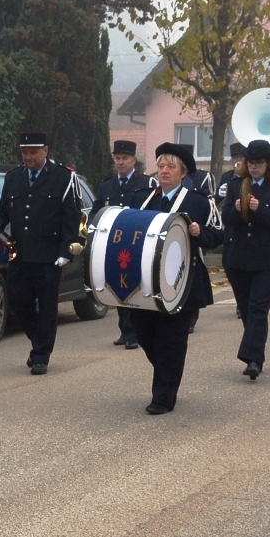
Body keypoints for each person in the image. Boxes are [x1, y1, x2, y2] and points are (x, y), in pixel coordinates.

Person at [131, 142, 224, 414]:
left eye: (171, 166)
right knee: (145, 334)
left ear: (184, 172)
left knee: (172, 339)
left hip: (182, 281)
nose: (164, 171)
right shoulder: (142, 198)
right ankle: (167, 373)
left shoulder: (198, 201)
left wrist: (198, 233)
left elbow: (218, 235)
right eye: (160, 166)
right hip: (146, 281)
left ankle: (163, 395)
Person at [0, 132, 81, 375]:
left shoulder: (63, 177)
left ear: (45, 151)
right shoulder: (14, 178)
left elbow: (73, 218)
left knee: (49, 306)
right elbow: (3, 209)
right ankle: (39, 339)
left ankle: (41, 355)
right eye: (24, 152)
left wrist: (65, 251)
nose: (28, 157)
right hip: (21, 253)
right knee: (18, 301)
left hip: (50, 256)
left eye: (33, 152)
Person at [220, 139, 270, 380]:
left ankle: (252, 359)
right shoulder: (235, 185)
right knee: (247, 309)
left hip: (267, 258)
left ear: (268, 164)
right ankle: (255, 354)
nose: (254, 167)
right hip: (238, 256)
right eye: (251, 162)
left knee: (258, 308)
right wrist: (238, 210)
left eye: (259, 162)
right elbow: (225, 218)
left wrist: (259, 209)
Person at [96, 140, 154, 351]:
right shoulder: (106, 186)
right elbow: (97, 212)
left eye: (125, 159)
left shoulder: (145, 184)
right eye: (117, 159)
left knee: (133, 285)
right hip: (111, 243)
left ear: (133, 161)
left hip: (136, 243)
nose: (120, 163)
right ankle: (125, 330)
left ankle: (134, 332)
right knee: (116, 284)